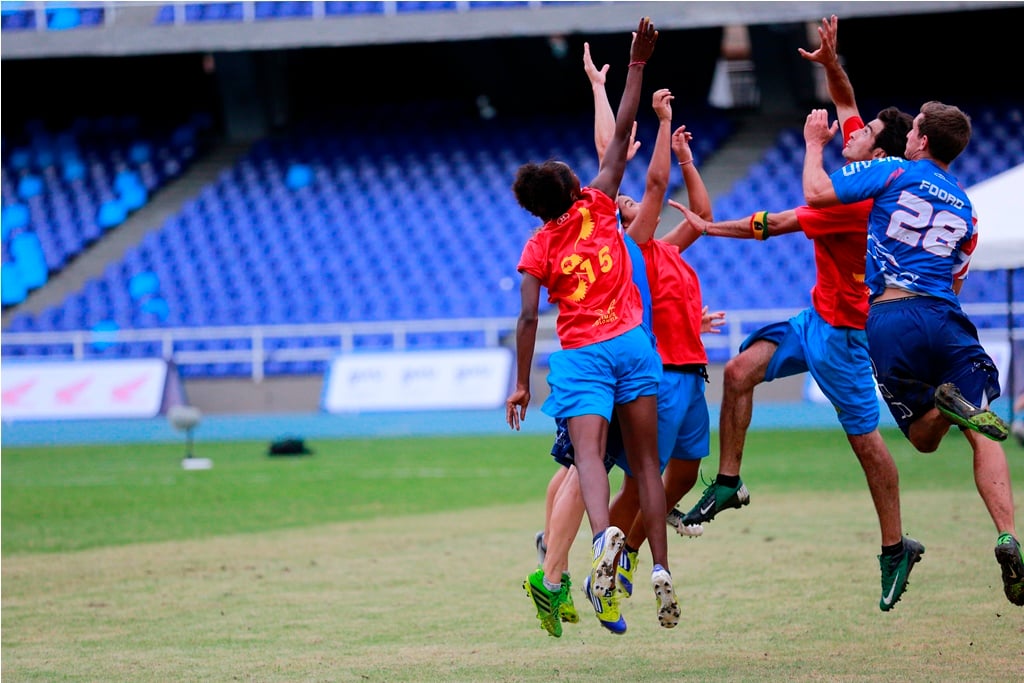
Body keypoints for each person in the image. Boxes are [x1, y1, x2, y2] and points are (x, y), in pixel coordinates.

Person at [673, 15, 924, 612]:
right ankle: (728, 483)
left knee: (866, 443)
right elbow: (848, 100)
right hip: (815, 318)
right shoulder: (867, 163)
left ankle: (895, 546)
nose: (849, 131)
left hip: (844, 336)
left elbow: (778, 222)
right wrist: (831, 63)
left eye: (862, 134)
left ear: (877, 152)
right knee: (739, 373)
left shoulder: (855, 199)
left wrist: (709, 227)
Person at [802, 97, 1024, 607]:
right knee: (981, 426)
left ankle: (944, 407)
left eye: (913, 128)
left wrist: (814, 145)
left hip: (889, 317)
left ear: (921, 140)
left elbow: (816, 192)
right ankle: (1007, 533)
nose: (906, 134)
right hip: (944, 316)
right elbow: (957, 278)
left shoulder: (893, 171)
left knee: (924, 440)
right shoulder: (966, 207)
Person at [530, 48, 723, 634]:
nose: (633, 198)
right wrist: (640, 114)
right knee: (588, 468)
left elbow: (618, 153)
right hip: (616, 360)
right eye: (626, 198)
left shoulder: (650, 246)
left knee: (592, 467)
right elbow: (613, 153)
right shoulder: (621, 234)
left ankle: (571, 569)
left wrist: (600, 87)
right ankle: (560, 573)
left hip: (631, 361)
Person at [507, 17, 678, 635]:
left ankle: (592, 547)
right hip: (632, 344)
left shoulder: (537, 247)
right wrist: (636, 65)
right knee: (645, 465)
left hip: (581, 355)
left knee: (585, 462)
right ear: (571, 187)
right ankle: (654, 565)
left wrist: (521, 383)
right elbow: (622, 132)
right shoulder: (600, 203)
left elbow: (529, 316)